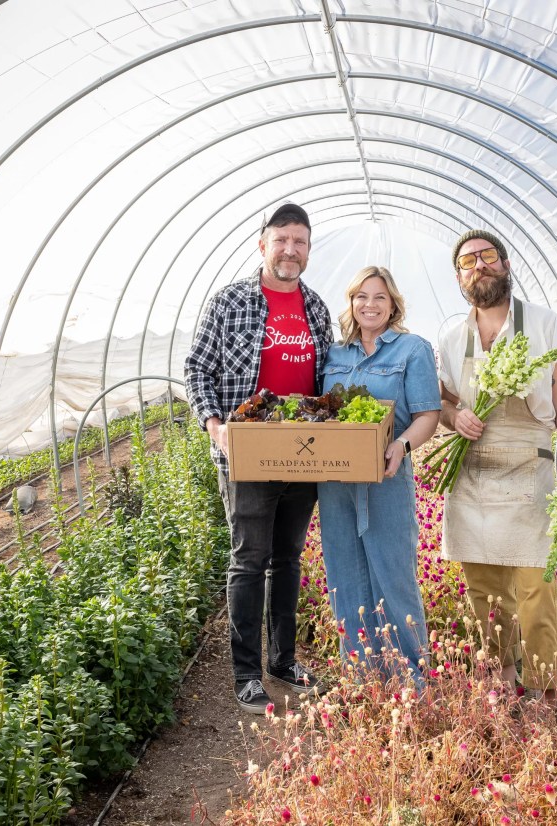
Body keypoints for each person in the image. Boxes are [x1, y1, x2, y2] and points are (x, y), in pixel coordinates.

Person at [184, 202, 333, 714]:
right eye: (282, 240)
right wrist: (215, 425)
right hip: (248, 453)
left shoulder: (316, 307)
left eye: (301, 242)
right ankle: (247, 672)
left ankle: (283, 660)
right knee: (249, 560)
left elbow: (325, 384)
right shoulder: (230, 301)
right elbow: (197, 370)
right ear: (263, 243)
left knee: (288, 559)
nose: (291, 250)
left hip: (305, 455)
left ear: (309, 250)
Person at [436, 229, 557, 699]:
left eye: (487, 256)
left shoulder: (544, 324)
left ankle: (547, 697)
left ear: (505, 263)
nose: (478, 266)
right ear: (460, 278)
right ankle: (503, 686)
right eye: (467, 262)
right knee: (486, 596)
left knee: (536, 592)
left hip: (529, 466)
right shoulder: (451, 335)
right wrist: (454, 416)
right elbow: (440, 403)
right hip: (472, 472)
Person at [317, 266, 441, 682]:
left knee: (394, 576)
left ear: (393, 306)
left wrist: (400, 446)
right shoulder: (334, 354)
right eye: (361, 297)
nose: (370, 305)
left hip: (387, 479)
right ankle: (362, 677)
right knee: (345, 577)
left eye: (379, 298)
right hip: (335, 484)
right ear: (351, 303)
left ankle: (413, 678)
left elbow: (428, 414)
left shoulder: (412, 349)